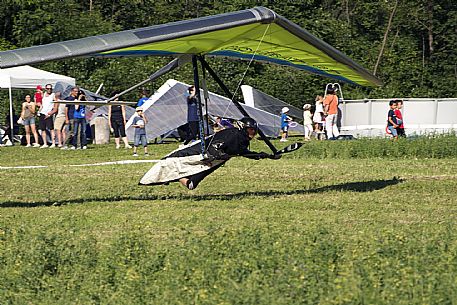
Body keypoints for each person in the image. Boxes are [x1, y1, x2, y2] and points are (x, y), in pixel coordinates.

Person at [139, 117, 281, 190]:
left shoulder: (242, 140)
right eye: (251, 130)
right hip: (201, 153)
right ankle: (170, 177)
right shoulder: (232, 134)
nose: (253, 133)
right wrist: (214, 156)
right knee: (168, 162)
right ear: (244, 128)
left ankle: (182, 178)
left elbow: (243, 152)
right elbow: (215, 147)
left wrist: (265, 155)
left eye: (254, 131)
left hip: (215, 160)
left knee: (192, 185)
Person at [38, 84, 58, 148]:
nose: (49, 90)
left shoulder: (53, 95)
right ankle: (45, 143)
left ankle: (53, 143)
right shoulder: (43, 94)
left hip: (48, 114)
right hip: (42, 113)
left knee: (51, 129)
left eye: (50, 89)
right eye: (48, 89)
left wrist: (51, 112)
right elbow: (39, 101)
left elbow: (56, 104)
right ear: (46, 89)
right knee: (42, 129)